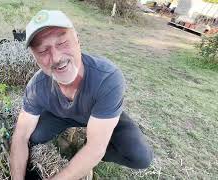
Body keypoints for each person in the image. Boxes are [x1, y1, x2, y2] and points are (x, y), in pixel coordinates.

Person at [10, 10, 153, 180]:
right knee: (34, 136)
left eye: (62, 43)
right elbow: (20, 137)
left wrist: (92, 151)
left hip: (100, 114)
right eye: (42, 51)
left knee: (140, 157)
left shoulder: (107, 78)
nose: (55, 58)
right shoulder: (36, 86)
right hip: (61, 115)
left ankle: (91, 147)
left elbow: (95, 148)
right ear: (34, 58)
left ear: (77, 39)